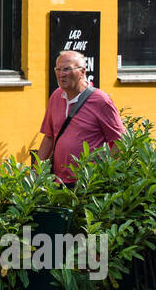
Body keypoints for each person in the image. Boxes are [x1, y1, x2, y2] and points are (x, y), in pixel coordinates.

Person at [36, 49, 124, 187]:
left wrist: (103, 173)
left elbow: (119, 142)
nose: (61, 74)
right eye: (57, 70)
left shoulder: (100, 100)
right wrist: (35, 175)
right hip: (57, 182)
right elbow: (48, 137)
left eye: (66, 69)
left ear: (82, 72)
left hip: (87, 184)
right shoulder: (56, 97)